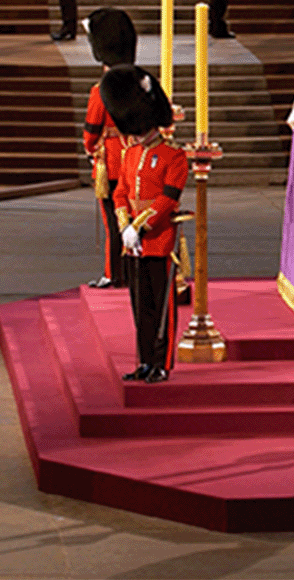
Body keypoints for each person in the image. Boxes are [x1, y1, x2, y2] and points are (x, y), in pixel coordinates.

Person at [103, 64, 189, 384]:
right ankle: (143, 361)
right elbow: (121, 193)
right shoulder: (130, 154)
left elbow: (167, 200)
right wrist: (124, 227)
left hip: (158, 239)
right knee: (140, 307)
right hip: (133, 243)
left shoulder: (173, 156)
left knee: (161, 307)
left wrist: (138, 227)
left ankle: (161, 363)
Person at [82, 8, 137, 290]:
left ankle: (114, 272)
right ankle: (133, 269)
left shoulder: (100, 89)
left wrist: (92, 149)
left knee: (113, 220)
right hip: (138, 158)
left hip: (112, 162)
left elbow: (91, 133)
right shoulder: (140, 83)